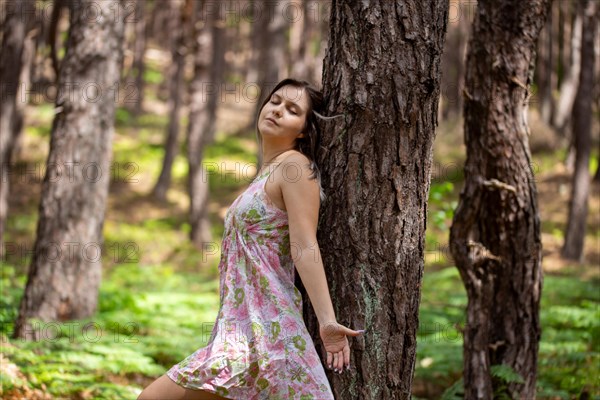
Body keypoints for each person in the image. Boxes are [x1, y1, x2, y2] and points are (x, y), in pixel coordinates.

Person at [137, 78, 364, 400]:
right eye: (275, 101)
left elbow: (304, 244)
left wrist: (327, 322)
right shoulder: (268, 172)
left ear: (302, 129)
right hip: (238, 327)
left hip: (265, 330)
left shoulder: (294, 166)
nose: (278, 110)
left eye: (292, 109)